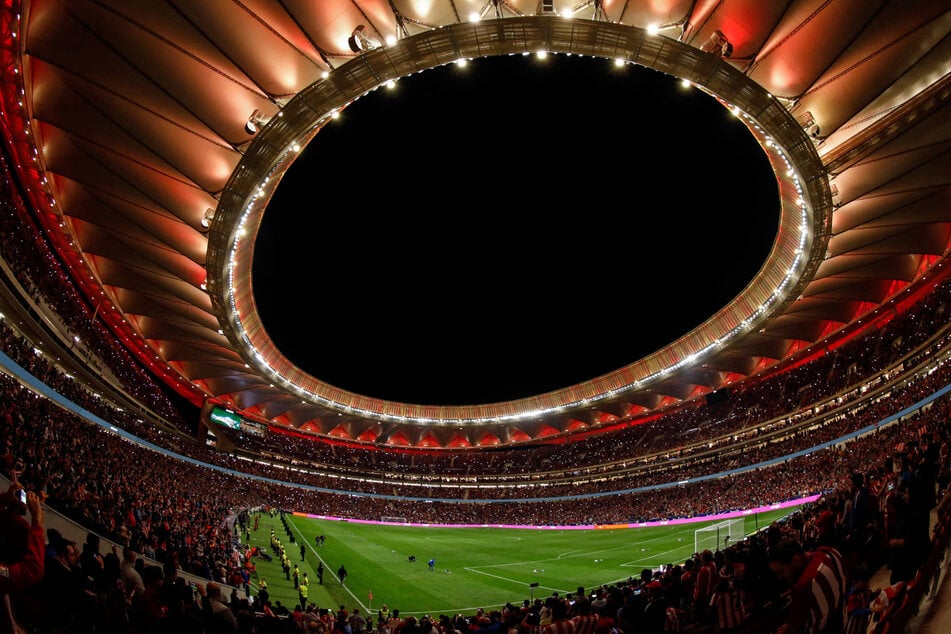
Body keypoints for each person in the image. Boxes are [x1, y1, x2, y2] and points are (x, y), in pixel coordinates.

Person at [767, 539, 848, 634]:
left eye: (781, 571)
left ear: (796, 559)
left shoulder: (803, 587)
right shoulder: (829, 551)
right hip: (842, 617)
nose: (780, 577)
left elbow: (792, 628)